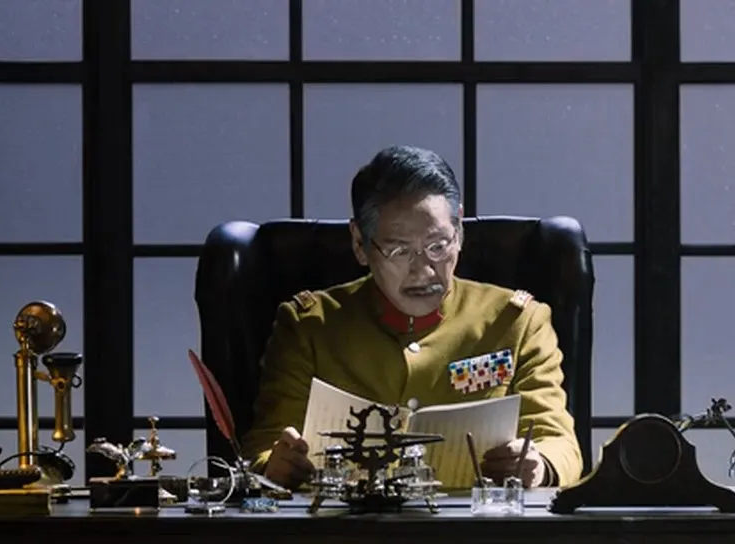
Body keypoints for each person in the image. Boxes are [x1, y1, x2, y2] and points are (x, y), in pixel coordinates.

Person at [241, 145, 582, 490]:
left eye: (438, 246)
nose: (423, 270)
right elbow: (264, 447)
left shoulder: (516, 322)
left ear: (459, 230)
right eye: (398, 250)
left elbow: (559, 443)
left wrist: (540, 465)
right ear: (359, 243)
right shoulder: (310, 327)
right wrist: (275, 465)